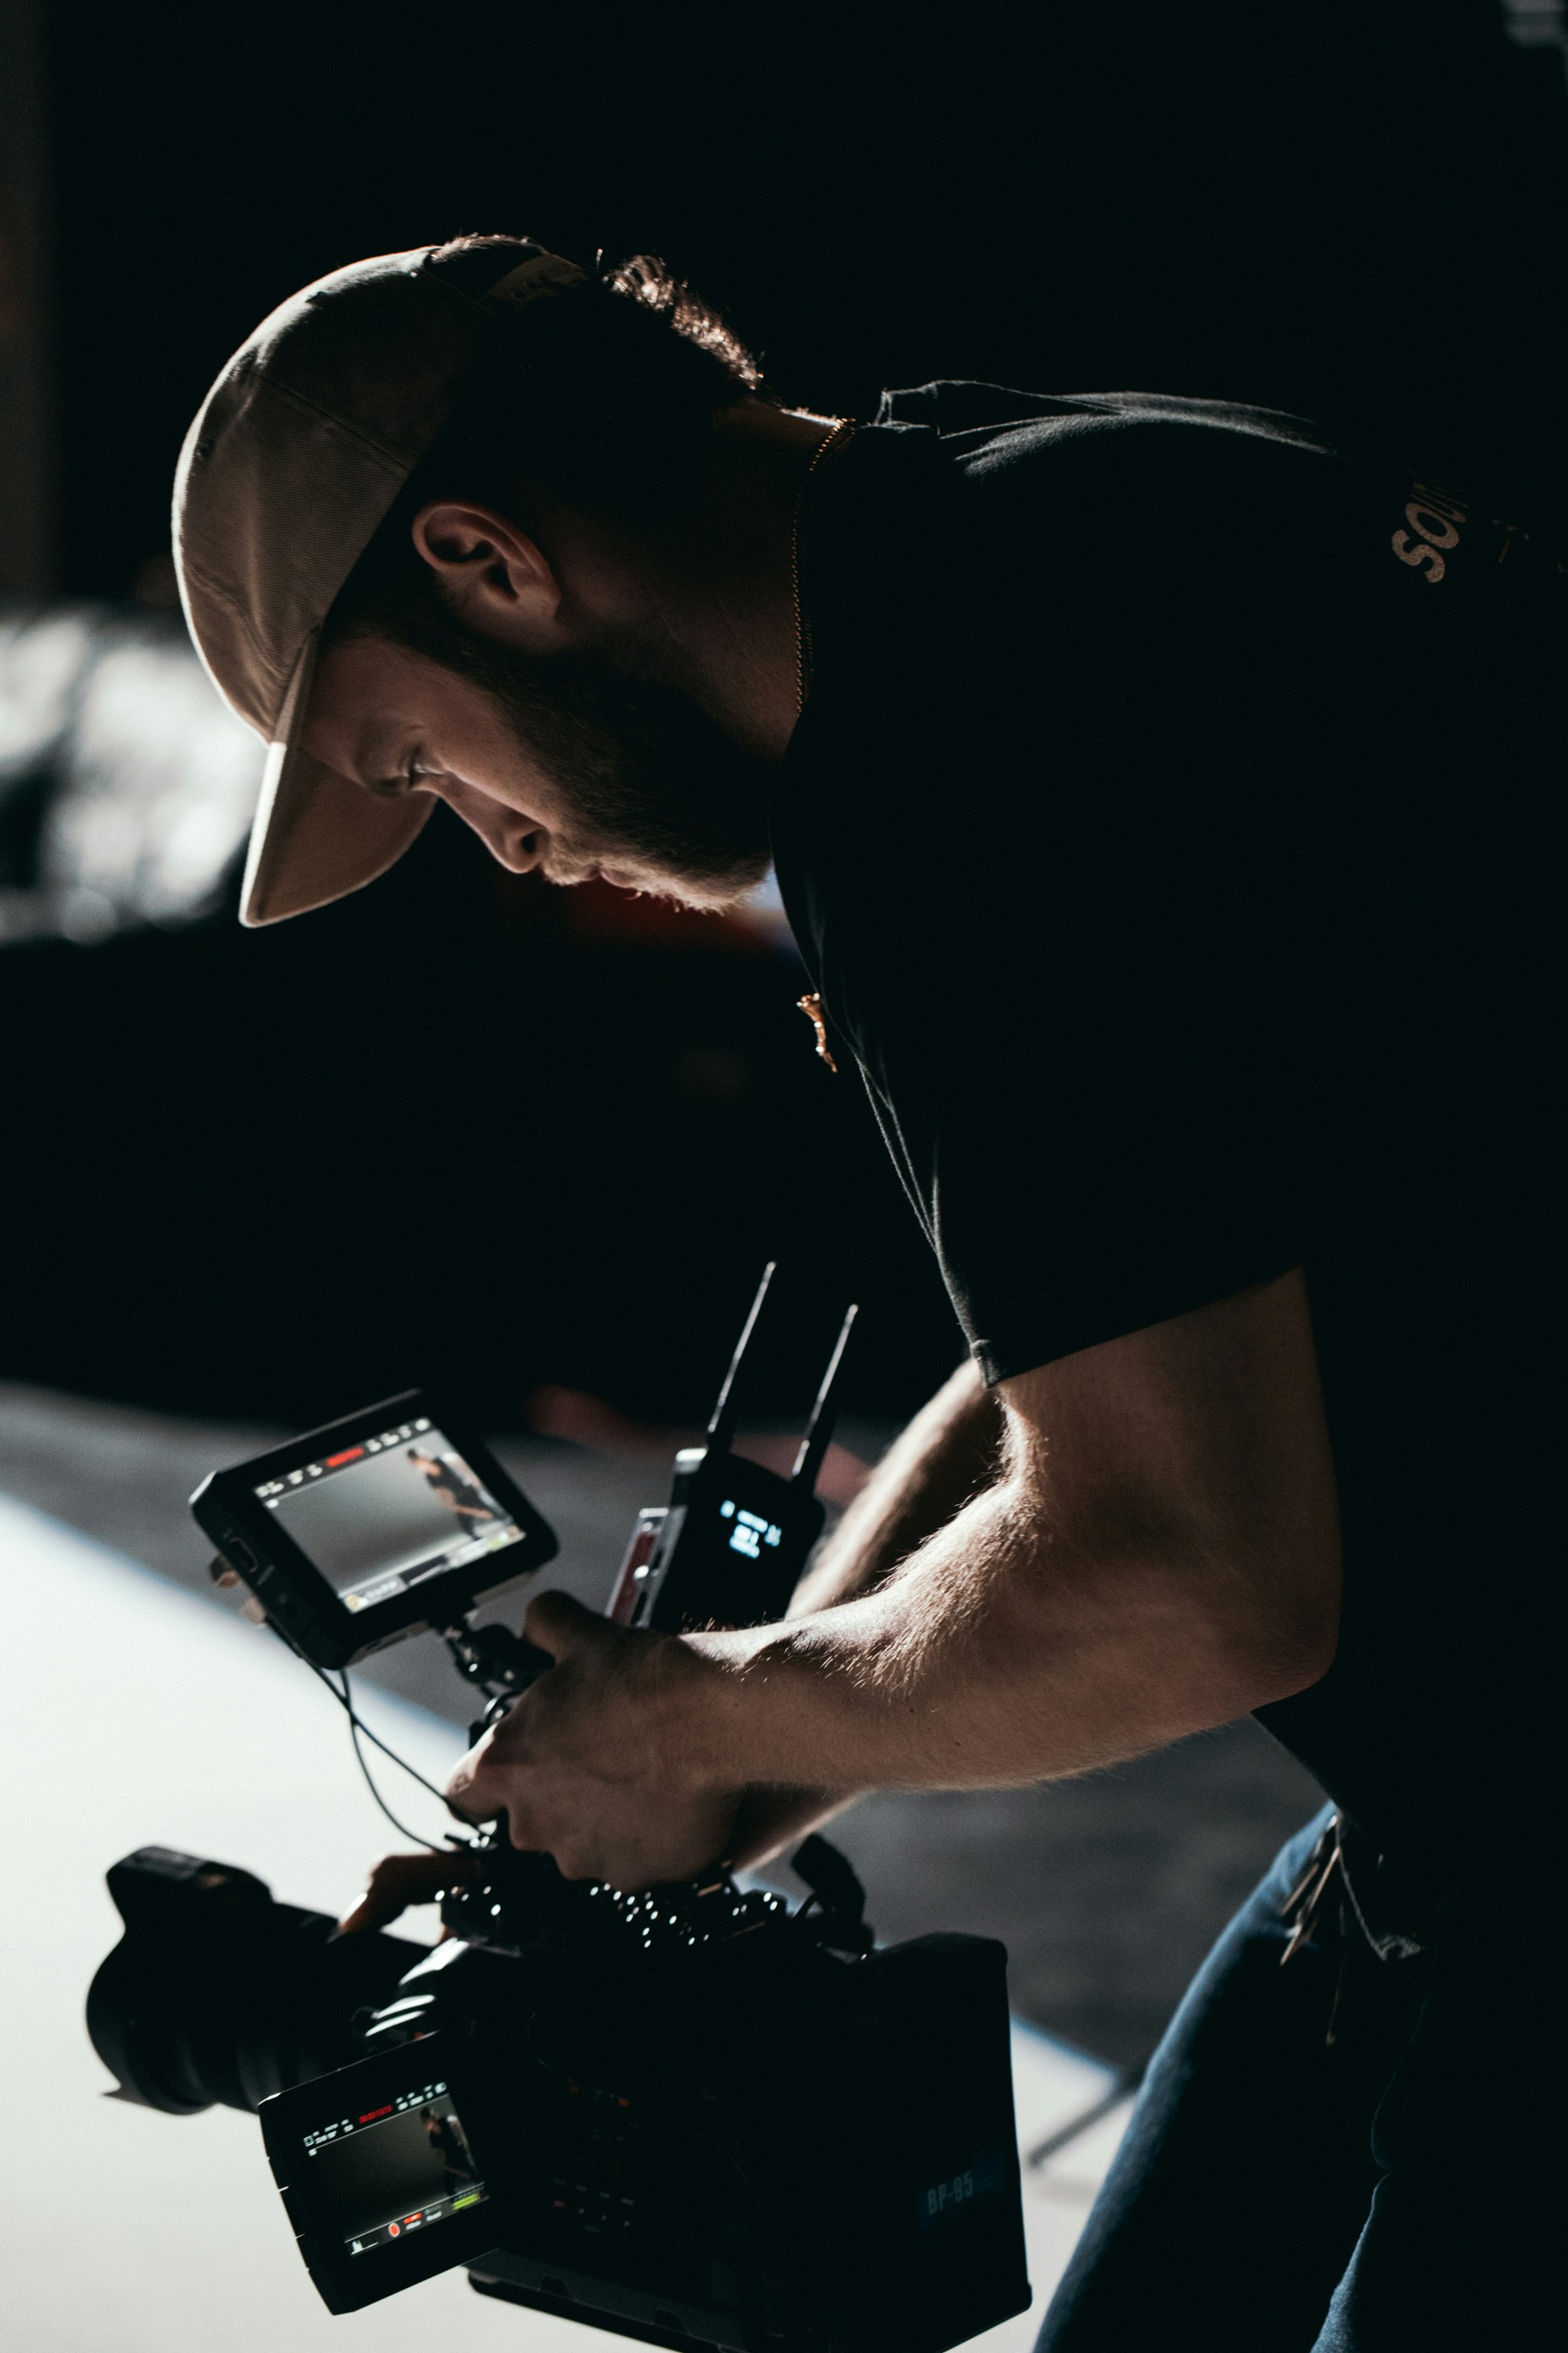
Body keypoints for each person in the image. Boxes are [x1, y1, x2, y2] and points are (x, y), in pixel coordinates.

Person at [174, 235, 1557, 2347]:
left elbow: (1193, 1574)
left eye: (413, 767)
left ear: (485, 562)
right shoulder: (1028, 494)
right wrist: (744, 1745)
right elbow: (1093, 1364)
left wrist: (705, 1706)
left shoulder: (957, 765)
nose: (501, 845)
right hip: (1463, 1784)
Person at [407, 1444, 497, 1542]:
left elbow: (461, 1464)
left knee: (495, 1511)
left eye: (419, 1460)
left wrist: (474, 1480)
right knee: (467, 1529)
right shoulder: (430, 1477)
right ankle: (480, 1542)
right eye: (416, 1463)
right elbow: (445, 1498)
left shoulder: (443, 1460)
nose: (419, 1465)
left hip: (471, 1490)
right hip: (459, 1497)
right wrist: (476, 1512)